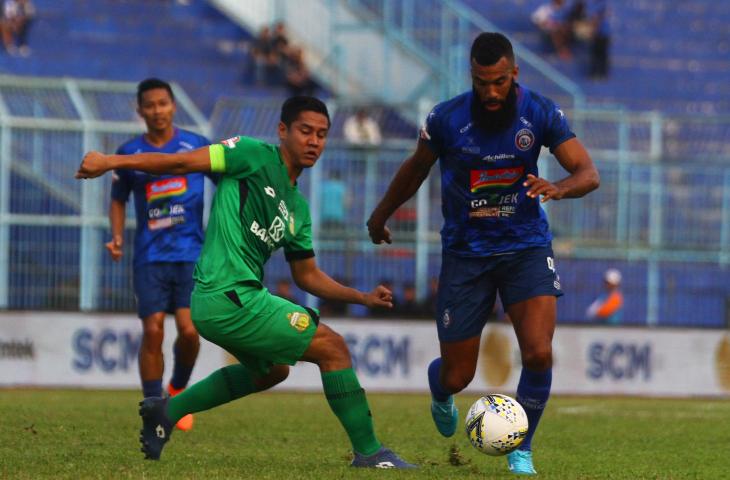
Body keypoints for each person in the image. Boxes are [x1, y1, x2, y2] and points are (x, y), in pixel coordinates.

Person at [77, 96, 415, 469]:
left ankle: (167, 412)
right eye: (305, 131)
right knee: (332, 348)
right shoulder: (250, 154)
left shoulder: (298, 210)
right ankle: (370, 452)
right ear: (283, 131)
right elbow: (180, 161)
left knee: (272, 370)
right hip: (225, 294)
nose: (314, 141)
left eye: (322, 134)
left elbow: (307, 275)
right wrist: (112, 161)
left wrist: (360, 297)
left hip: (234, 299)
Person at [366, 32, 599, 475]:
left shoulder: (540, 113)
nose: (490, 92)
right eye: (481, 82)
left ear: (514, 74)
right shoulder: (446, 119)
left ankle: (522, 448)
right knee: (458, 377)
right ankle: (439, 393)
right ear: (471, 76)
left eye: (498, 82)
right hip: (465, 255)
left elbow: (588, 173)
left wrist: (559, 188)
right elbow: (416, 167)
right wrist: (380, 215)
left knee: (538, 353)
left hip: (525, 248)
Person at [108, 78, 211, 432]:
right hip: (150, 258)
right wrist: (117, 236)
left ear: (173, 106)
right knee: (152, 331)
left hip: (191, 256)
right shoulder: (130, 153)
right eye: (150, 105)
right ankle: (154, 408)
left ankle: (177, 391)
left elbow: (225, 184)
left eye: (163, 103)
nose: (157, 111)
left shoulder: (195, 146)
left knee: (190, 332)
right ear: (140, 111)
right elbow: (118, 199)